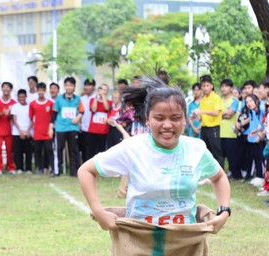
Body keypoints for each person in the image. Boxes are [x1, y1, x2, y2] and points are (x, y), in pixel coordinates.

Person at [80, 77, 230, 232]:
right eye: (159, 118)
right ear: (147, 119)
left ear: (184, 119)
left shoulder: (196, 149)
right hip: (139, 240)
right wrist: (98, 212)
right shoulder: (132, 148)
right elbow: (86, 171)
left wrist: (224, 210)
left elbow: (219, 177)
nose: (167, 125)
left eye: (175, 118)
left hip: (185, 242)